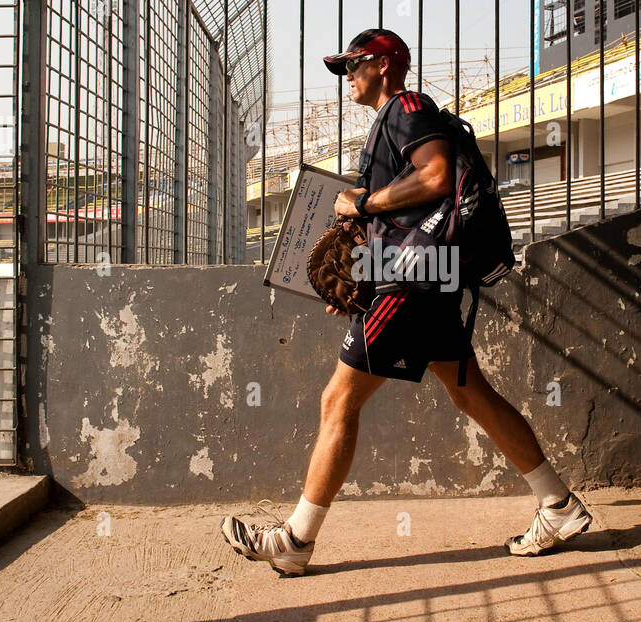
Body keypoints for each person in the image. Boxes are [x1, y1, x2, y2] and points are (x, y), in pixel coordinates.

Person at [221, 28, 590, 575]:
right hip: (417, 279)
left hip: (410, 283)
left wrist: (363, 202)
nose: (348, 76)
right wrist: (360, 278)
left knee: (337, 401)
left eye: (354, 65)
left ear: (385, 66)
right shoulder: (390, 122)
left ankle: (296, 542)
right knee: (472, 395)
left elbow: (438, 177)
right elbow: (403, 217)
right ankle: (557, 505)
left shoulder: (407, 107)